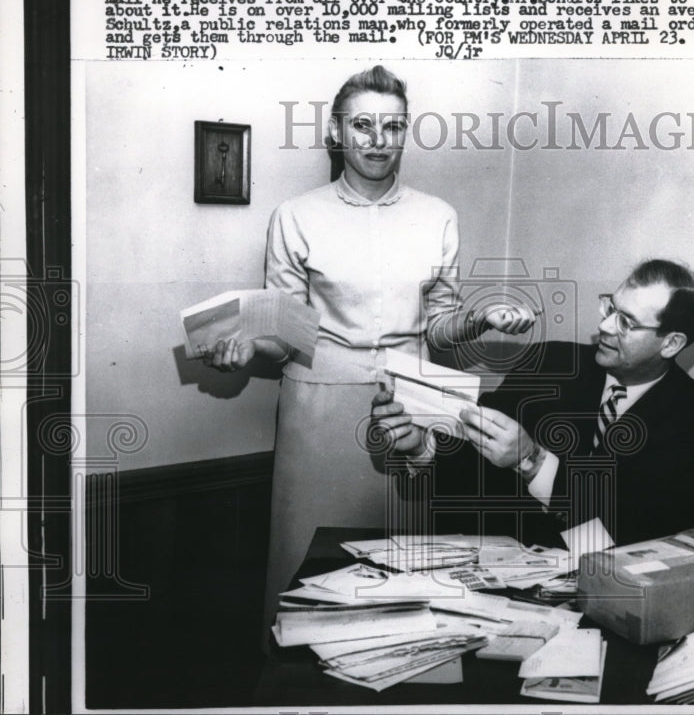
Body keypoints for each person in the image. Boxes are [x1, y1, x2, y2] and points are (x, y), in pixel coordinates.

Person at [202, 65, 534, 634]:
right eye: (362, 125)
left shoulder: (437, 216)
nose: (378, 141)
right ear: (336, 132)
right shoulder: (296, 216)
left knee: (405, 575)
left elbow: (436, 326)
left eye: (392, 127)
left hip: (413, 413)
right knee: (312, 574)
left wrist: (476, 320)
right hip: (320, 416)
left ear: (406, 133)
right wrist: (243, 346)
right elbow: (287, 330)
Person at [371, 259, 694, 546]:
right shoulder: (548, 363)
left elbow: (631, 535)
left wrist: (533, 461)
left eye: (626, 322)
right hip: (499, 573)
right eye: (610, 308)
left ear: (670, 344)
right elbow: (473, 469)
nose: (605, 326)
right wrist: (421, 445)